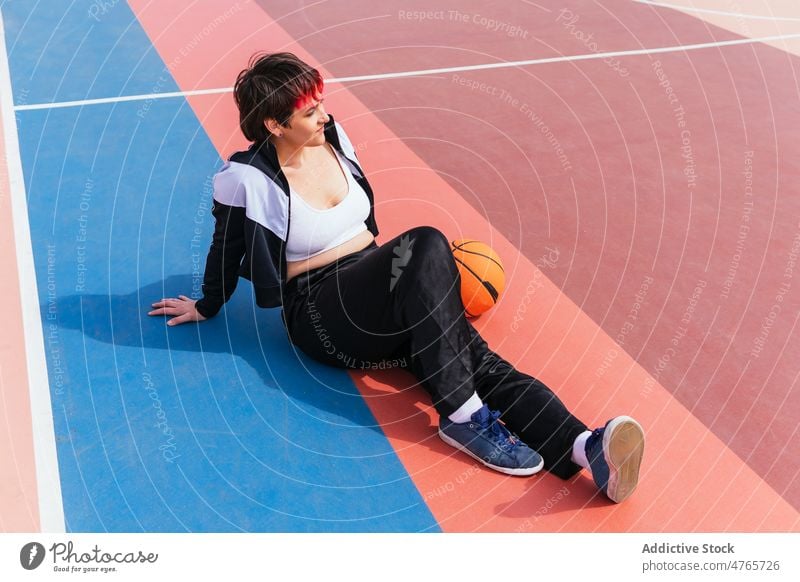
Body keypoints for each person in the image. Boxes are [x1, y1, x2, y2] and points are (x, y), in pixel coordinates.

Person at [148, 52, 645, 503]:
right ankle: (461, 416)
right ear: (274, 124)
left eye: (321, 102)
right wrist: (207, 304)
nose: (323, 114)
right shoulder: (247, 181)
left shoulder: (334, 138)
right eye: (308, 112)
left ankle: (584, 448)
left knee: (482, 361)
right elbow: (226, 245)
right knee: (428, 241)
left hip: (383, 289)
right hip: (323, 311)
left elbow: (370, 235)